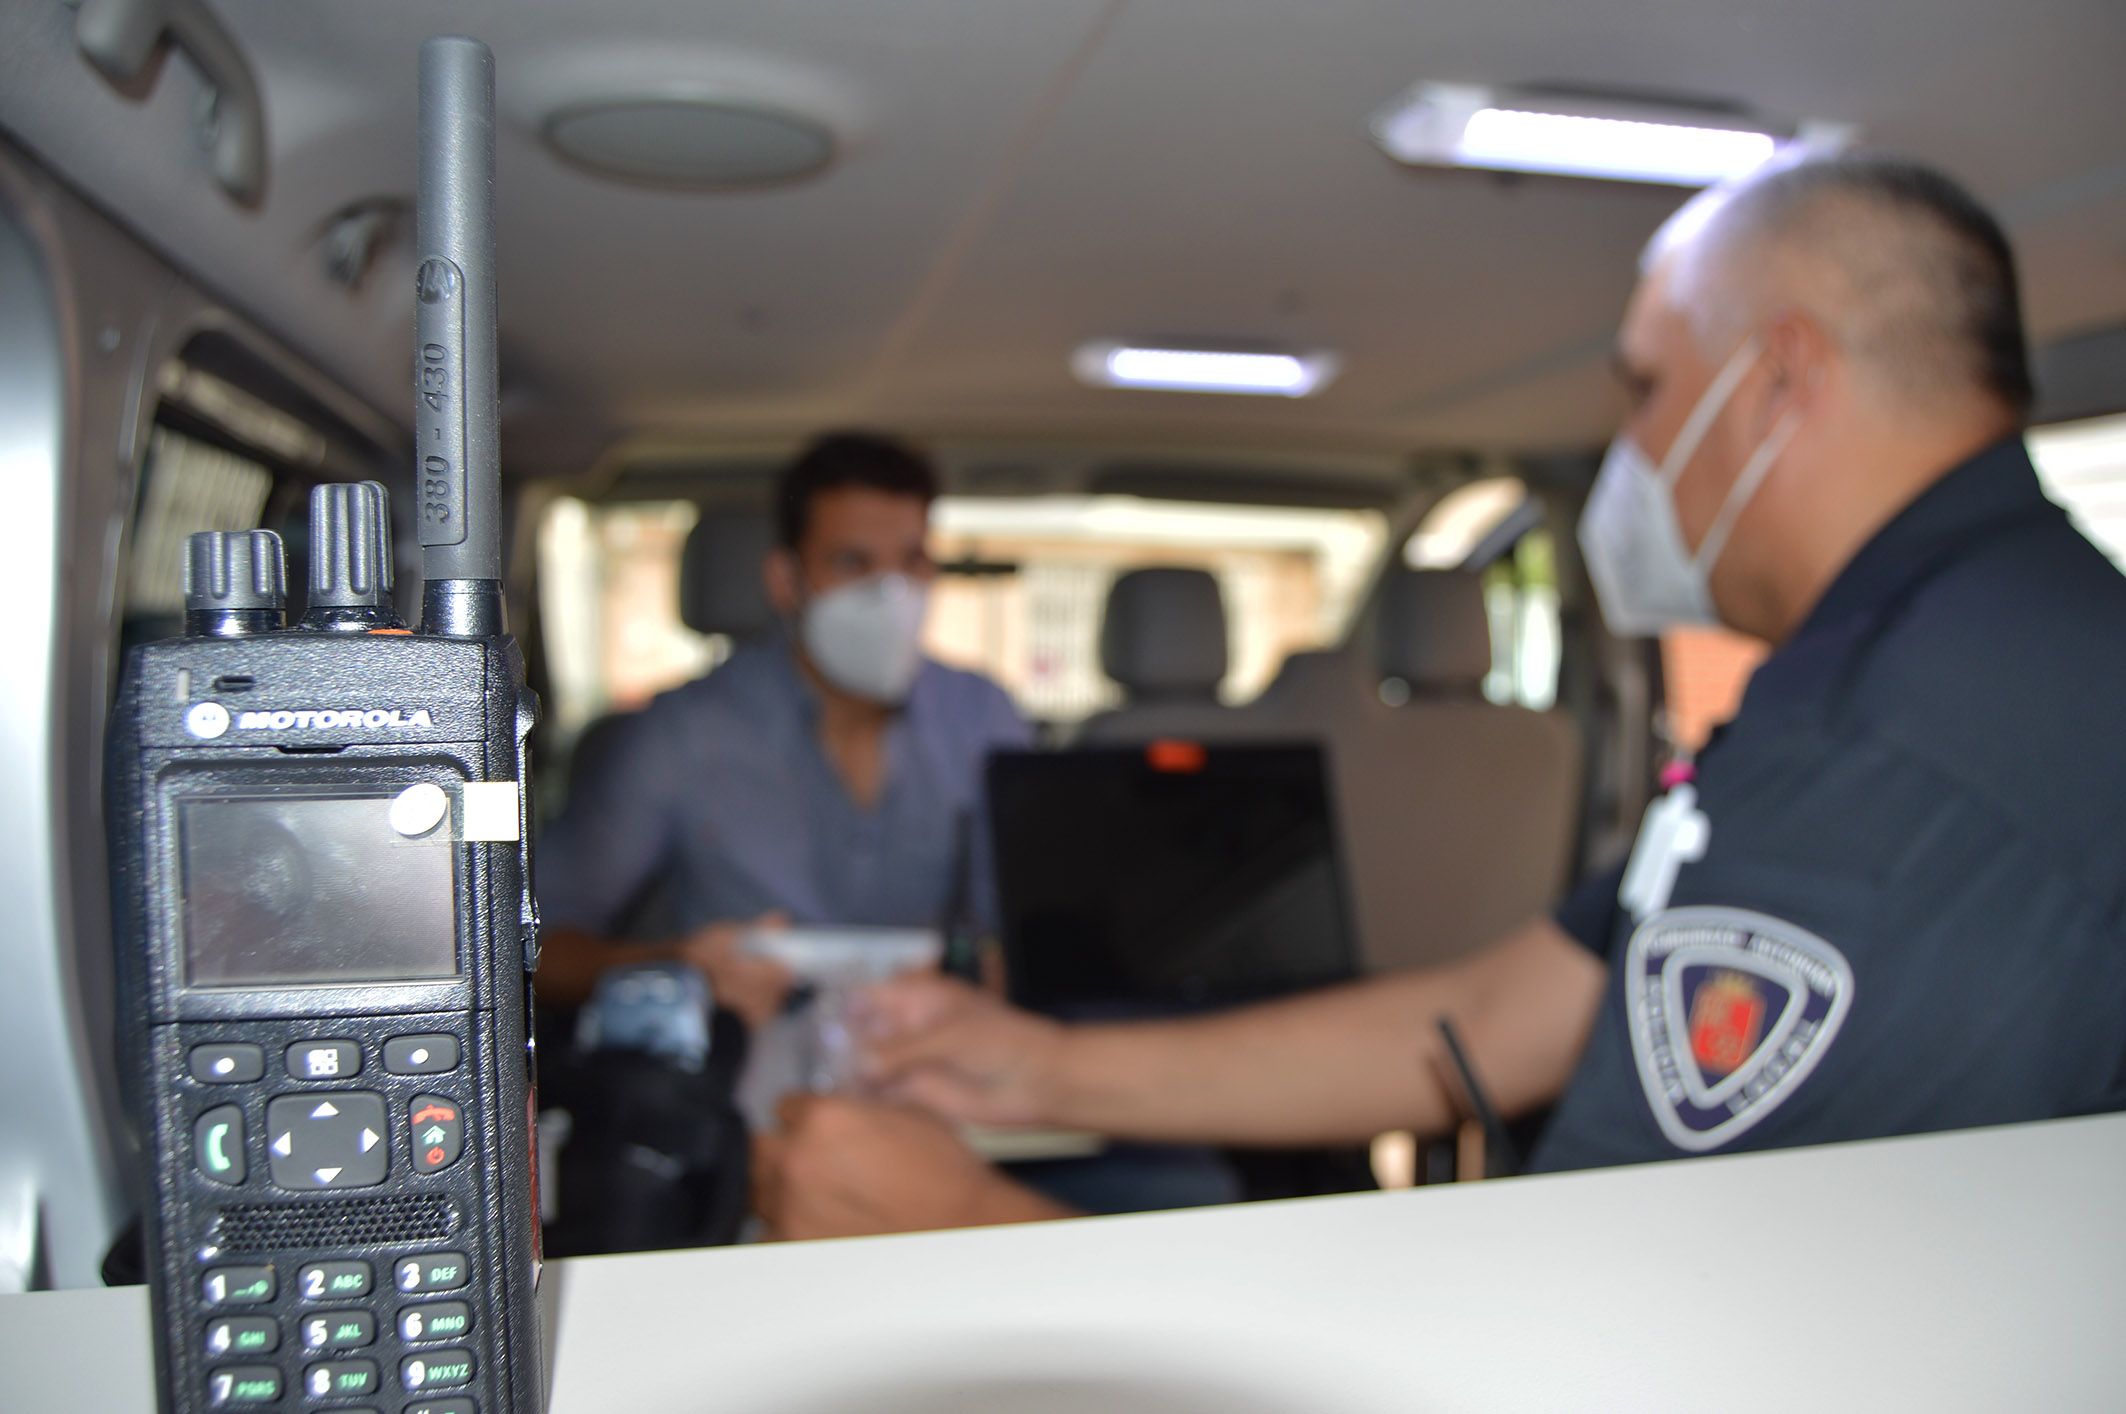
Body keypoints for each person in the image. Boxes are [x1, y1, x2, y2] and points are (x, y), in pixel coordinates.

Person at [753, 154, 2126, 1241]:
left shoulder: (1895, 739)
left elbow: (1617, 1325)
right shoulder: (1945, 653)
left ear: (1777, 383)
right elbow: (1493, 1012)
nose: (1627, 448)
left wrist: (972, 1225)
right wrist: (1035, 1067)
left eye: (1646, 388)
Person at [536, 431, 1033, 1027]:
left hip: (937, 1059)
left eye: (913, 561)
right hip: (746, 1075)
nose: (893, 595)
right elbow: (531, 949)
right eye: (854, 563)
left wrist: (1008, 969)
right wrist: (677, 964)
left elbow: (1020, 923)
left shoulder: (982, 715)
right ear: (786, 581)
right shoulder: (682, 733)